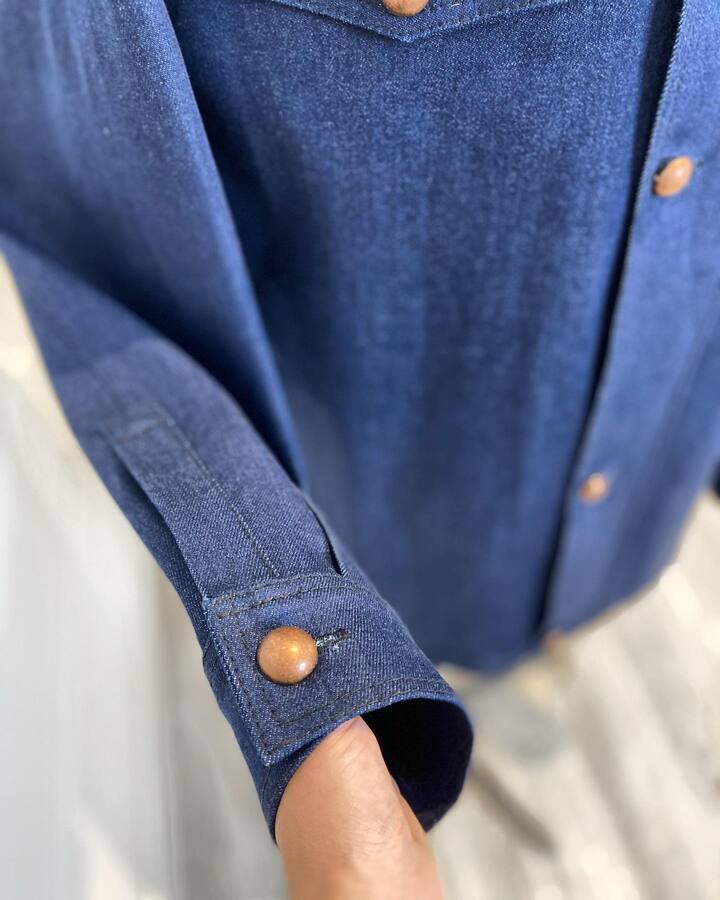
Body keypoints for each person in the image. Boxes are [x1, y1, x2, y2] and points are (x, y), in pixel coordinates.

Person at [2, 0, 718, 896]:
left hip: (648, 458)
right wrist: (320, 698)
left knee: (545, 640)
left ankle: (525, 668)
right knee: (451, 639)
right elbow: (89, 237)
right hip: (391, 509)